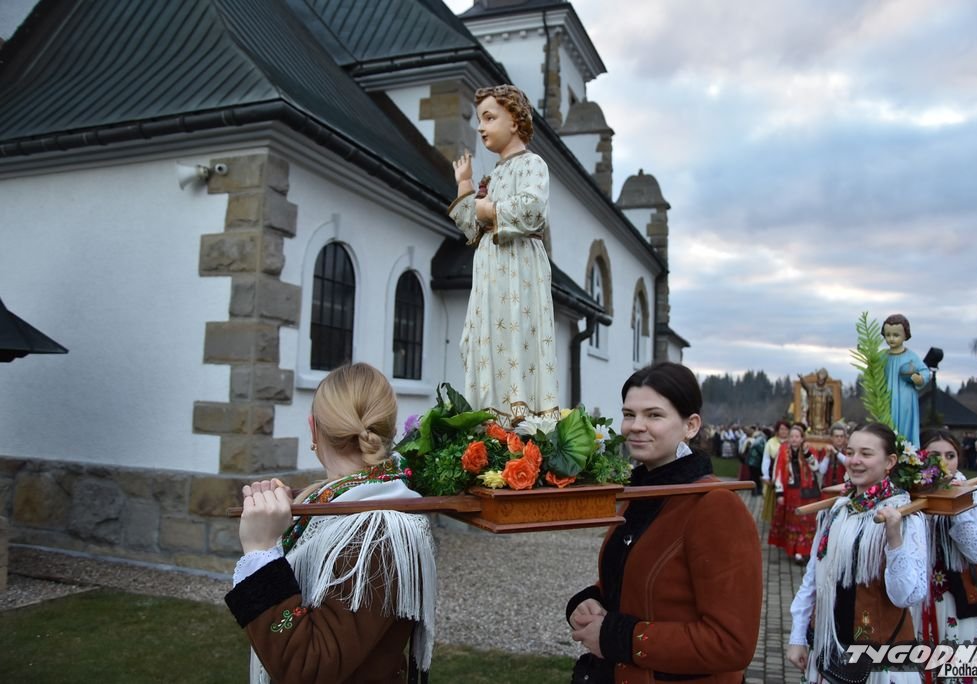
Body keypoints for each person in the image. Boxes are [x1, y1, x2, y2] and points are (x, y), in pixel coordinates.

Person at [224, 363, 436, 684]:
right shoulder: (330, 503)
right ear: (390, 429)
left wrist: (261, 553)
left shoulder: (378, 532)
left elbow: (309, 668)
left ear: (313, 430)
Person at [565, 362, 762, 683]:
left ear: (690, 426)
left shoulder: (716, 506)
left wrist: (618, 637)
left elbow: (731, 643)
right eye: (629, 414)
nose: (636, 426)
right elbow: (641, 584)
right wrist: (590, 601)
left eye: (654, 415)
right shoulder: (641, 493)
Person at [449, 84, 558, 422]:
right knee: (485, 337)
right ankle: (487, 411)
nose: (481, 127)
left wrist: (490, 209)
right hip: (490, 272)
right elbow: (471, 227)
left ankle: (520, 412)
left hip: (518, 267)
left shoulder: (532, 164)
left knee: (516, 331)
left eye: (489, 118)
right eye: (479, 120)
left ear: (514, 120)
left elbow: (533, 209)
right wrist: (465, 184)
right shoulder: (493, 175)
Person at [787, 423, 927, 683]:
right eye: (850, 452)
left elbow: (906, 596)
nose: (854, 461)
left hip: (879, 659)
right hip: (829, 648)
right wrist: (797, 636)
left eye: (866, 453)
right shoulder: (837, 509)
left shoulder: (905, 516)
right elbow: (813, 576)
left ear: (890, 462)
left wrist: (894, 538)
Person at [918, 429, 977, 678]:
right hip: (921, 598)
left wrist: (958, 505)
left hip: (965, 598)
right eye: (934, 456)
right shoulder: (911, 495)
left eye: (950, 455)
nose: (944, 463)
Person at [769, 422, 826, 563]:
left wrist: (807, 454)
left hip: (809, 492)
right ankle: (796, 551)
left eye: (797, 436)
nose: (794, 439)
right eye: (792, 436)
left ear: (802, 438)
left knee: (807, 522)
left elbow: (816, 468)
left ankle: (806, 550)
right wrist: (779, 493)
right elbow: (778, 472)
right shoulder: (783, 450)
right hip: (792, 492)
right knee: (794, 521)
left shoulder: (809, 450)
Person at [882, 314, 930, 447]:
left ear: (905, 335)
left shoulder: (911, 356)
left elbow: (925, 371)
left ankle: (906, 451)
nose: (891, 339)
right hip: (886, 398)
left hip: (905, 398)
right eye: (888, 335)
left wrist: (919, 379)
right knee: (887, 425)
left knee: (905, 423)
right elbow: (873, 370)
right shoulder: (883, 356)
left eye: (896, 335)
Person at [761, 420, 790, 521]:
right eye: (782, 429)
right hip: (774, 474)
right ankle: (774, 520)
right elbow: (766, 459)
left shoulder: (792, 442)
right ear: (777, 430)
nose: (784, 431)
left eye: (786, 429)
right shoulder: (771, 442)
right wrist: (766, 475)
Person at [822, 422, 849, 488]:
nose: (839, 438)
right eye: (836, 436)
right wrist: (827, 456)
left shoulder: (848, 451)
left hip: (843, 487)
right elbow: (822, 471)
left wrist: (835, 452)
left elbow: (847, 463)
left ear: (845, 438)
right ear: (832, 437)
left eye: (841, 436)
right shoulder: (825, 450)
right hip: (827, 487)